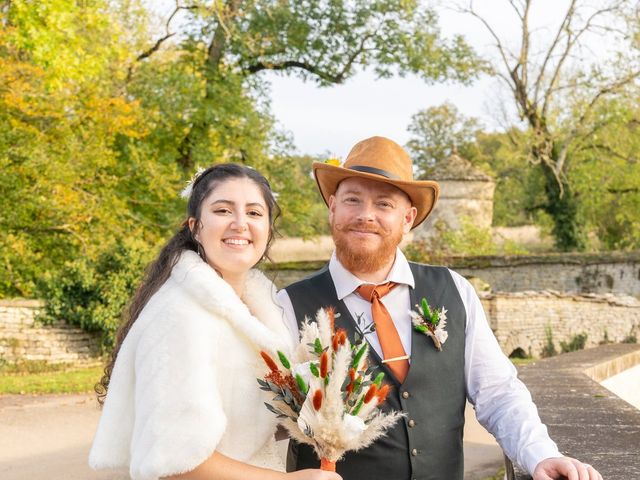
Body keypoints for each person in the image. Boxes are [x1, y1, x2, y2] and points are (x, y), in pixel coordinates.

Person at [277, 137, 603, 480]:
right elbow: (260, 424)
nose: (365, 215)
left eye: (384, 204)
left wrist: (540, 456)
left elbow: (498, 393)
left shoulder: (454, 290)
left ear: (408, 218)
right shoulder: (289, 305)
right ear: (332, 207)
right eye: (352, 200)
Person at [89, 164, 340, 480]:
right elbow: (173, 461)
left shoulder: (258, 310)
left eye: (253, 213)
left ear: (268, 228)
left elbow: (240, 422)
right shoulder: (180, 315)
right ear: (195, 227)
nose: (240, 224)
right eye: (223, 210)